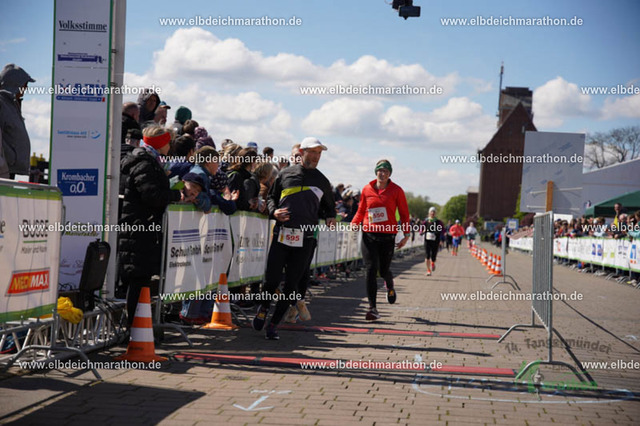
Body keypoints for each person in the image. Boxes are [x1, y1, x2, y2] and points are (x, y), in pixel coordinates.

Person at [252, 137, 335, 340]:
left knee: (291, 286)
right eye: (312, 152)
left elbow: (329, 208)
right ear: (302, 152)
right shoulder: (285, 174)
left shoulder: (322, 181)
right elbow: (271, 198)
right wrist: (274, 212)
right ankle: (264, 307)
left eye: (319, 153)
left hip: (305, 239)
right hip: (282, 235)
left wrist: (331, 217)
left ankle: (273, 325)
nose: (316, 157)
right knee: (271, 280)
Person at [119, 125, 192, 325]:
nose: (170, 146)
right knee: (139, 280)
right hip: (139, 228)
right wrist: (176, 194)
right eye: (168, 142)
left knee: (141, 280)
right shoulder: (145, 163)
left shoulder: (149, 161)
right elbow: (152, 196)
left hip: (142, 228)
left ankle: (137, 327)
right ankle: (134, 328)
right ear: (161, 143)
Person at [351, 159, 410, 321]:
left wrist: (406, 235)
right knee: (370, 269)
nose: (382, 173)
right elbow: (361, 209)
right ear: (375, 172)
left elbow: (404, 214)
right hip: (369, 234)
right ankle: (372, 308)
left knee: (383, 270)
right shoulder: (367, 189)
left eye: (386, 171)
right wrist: (354, 223)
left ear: (389, 174)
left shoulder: (397, 190)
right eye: (380, 170)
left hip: (387, 236)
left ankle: (390, 285)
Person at [0, 64, 35, 179]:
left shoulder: (11, 104)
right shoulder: (2, 104)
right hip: (4, 169)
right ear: (15, 84)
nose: (26, 88)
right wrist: (9, 158)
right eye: (25, 84)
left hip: (8, 168)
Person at [421, 207, 443, 276]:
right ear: (429, 213)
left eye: (434, 212)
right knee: (427, 256)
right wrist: (422, 231)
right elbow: (421, 229)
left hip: (435, 241)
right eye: (431, 212)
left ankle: (433, 262)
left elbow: (442, 230)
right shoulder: (425, 221)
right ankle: (428, 270)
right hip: (427, 241)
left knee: (433, 256)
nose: (432, 213)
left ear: (435, 213)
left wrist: (441, 238)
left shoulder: (438, 222)